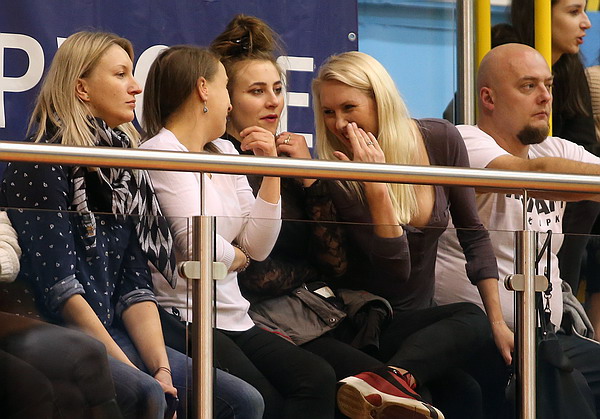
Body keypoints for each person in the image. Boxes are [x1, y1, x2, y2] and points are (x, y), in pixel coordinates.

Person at [0, 30, 263, 419]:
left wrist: (161, 368)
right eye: (121, 74)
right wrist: (136, 371)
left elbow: (135, 285)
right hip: (61, 332)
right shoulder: (41, 160)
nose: (135, 87)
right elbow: (61, 291)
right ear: (82, 88)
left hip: (115, 329)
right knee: (147, 396)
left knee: (244, 400)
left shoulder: (124, 165)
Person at [210, 14, 441, 419]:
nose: (273, 101)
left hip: (321, 310)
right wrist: (307, 273)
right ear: (227, 100)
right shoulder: (219, 161)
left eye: (278, 89)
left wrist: (310, 180)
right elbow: (250, 273)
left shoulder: (292, 158)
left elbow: (335, 263)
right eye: (257, 91)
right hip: (263, 319)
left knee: (459, 377)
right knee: (375, 389)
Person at [140, 43, 337, 419]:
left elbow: (258, 247)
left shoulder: (225, 152)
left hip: (235, 315)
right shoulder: (160, 153)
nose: (230, 104)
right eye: (225, 88)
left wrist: (271, 169)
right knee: (263, 401)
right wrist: (238, 256)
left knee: (316, 378)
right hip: (185, 316)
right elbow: (199, 246)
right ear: (203, 89)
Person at [311, 50, 508, 419]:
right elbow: (395, 272)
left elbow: (474, 235)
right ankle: (392, 381)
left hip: (421, 323)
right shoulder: (336, 172)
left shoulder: (440, 138)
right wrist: (376, 187)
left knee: (476, 368)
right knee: (467, 333)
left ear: (380, 101)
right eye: (328, 112)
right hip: (368, 322)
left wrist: (499, 324)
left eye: (349, 108)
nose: (338, 123)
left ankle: (389, 381)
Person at [434, 43, 600, 417]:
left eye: (548, 85)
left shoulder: (558, 150)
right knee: (564, 387)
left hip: (547, 338)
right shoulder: (464, 141)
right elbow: (533, 177)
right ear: (488, 98)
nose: (545, 97)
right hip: (480, 338)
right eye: (528, 86)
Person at [504, 0, 599, 312]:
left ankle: (564, 299)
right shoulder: (503, 51)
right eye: (573, 11)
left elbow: (585, 145)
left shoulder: (571, 69)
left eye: (548, 86)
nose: (586, 22)